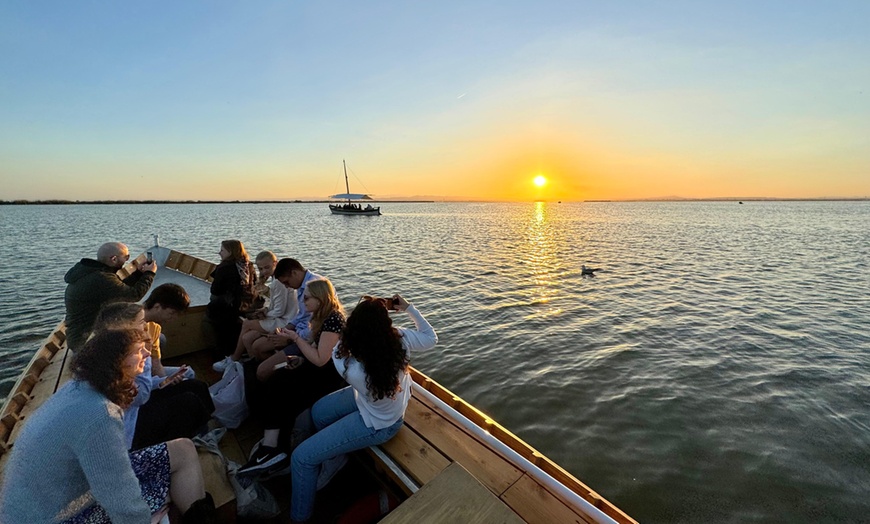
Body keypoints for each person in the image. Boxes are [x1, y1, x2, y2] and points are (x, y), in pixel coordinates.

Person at [0, 329, 215, 523]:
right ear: (118, 362)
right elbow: (120, 495)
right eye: (139, 350)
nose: (148, 354)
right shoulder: (100, 415)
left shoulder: (78, 387)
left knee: (183, 448)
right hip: (56, 516)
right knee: (170, 488)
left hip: (41, 505)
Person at [289, 295, 437, 522]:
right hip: (378, 403)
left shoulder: (347, 364)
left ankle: (299, 518)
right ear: (386, 327)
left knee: (301, 458)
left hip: (379, 424)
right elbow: (430, 338)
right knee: (319, 412)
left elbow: (338, 345)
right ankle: (336, 458)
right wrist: (407, 308)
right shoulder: (399, 340)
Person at [239, 278, 346, 476]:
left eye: (307, 298)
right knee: (278, 377)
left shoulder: (334, 320)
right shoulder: (321, 317)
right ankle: (274, 447)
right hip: (315, 368)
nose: (303, 302)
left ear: (320, 299)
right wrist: (299, 359)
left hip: (327, 377)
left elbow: (322, 360)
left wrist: (295, 338)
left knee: (282, 385)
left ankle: (275, 449)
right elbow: (315, 352)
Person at [93, 302, 214, 451]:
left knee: (195, 386)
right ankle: (175, 448)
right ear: (126, 327)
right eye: (141, 323)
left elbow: (142, 388)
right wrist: (146, 352)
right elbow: (141, 395)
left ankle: (202, 433)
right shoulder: (119, 358)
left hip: (136, 408)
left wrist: (165, 381)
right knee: (188, 402)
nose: (145, 328)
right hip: (129, 431)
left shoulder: (124, 349)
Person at [213, 251, 298, 372]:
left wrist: (264, 314)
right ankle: (254, 365)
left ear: (276, 263)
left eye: (267, 267)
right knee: (247, 338)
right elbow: (276, 306)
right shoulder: (276, 281)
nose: (264, 271)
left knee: (247, 323)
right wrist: (265, 310)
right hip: (280, 318)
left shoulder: (278, 283)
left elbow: (279, 311)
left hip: (285, 322)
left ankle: (234, 358)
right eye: (261, 269)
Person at [64, 241, 157, 351]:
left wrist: (139, 274)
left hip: (79, 336)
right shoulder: (101, 278)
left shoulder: (91, 273)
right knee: (153, 340)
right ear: (114, 259)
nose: (127, 260)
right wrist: (149, 274)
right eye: (126, 257)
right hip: (87, 342)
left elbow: (119, 289)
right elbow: (133, 295)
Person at [244, 258, 321, 363]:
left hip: (306, 339)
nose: (286, 286)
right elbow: (301, 316)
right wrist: (284, 330)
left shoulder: (314, 286)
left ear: (294, 273)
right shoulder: (301, 286)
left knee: (259, 351)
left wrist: (290, 339)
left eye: (286, 282)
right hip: (297, 332)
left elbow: (315, 328)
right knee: (257, 345)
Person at [206, 239, 257, 357]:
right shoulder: (248, 265)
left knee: (208, 319)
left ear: (230, 252)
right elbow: (254, 283)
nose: (219, 253)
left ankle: (221, 353)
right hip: (247, 305)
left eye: (222, 250)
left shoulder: (224, 268)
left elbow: (215, 290)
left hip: (228, 308)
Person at [143, 282, 193, 377]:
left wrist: (166, 382)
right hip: (132, 376)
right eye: (171, 313)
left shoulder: (155, 327)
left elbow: (156, 363)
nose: (173, 319)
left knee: (188, 373)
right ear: (157, 306)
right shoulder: (129, 323)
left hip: (146, 370)